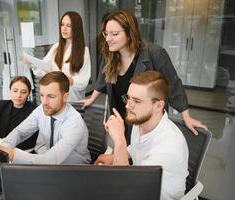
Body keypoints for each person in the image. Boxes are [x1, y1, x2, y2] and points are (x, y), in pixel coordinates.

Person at [78, 10, 206, 141]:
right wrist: (91, 99)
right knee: (125, 149)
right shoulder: (110, 54)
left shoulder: (155, 54)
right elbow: (102, 79)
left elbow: (173, 85)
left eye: (114, 34)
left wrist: (186, 116)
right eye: (106, 33)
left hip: (146, 118)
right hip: (122, 114)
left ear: (129, 34)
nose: (108, 39)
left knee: (143, 152)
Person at [95, 71, 189, 200]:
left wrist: (119, 140)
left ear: (158, 105)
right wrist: (114, 156)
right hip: (139, 184)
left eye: (137, 101)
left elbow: (126, 186)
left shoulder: (169, 147)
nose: (128, 105)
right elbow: (136, 146)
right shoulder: (140, 121)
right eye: (128, 98)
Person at [0, 71, 91, 164]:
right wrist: (3, 148)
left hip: (75, 170)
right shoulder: (41, 109)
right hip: (53, 164)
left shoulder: (74, 123)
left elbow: (50, 160)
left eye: (51, 96)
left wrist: (10, 153)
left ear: (65, 97)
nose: (44, 102)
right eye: (42, 95)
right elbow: (20, 131)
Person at [22, 11, 91, 102]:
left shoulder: (83, 50)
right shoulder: (56, 47)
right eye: (62, 24)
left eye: (68, 26)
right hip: (54, 95)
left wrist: (67, 79)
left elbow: (84, 80)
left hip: (72, 97)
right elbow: (43, 67)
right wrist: (33, 63)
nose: (64, 28)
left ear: (76, 28)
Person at [0, 76, 37, 150]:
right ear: (10, 91)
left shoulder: (34, 111)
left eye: (23, 92)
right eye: (15, 91)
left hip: (20, 152)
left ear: (29, 93)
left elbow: (28, 141)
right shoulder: (2, 105)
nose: (18, 95)